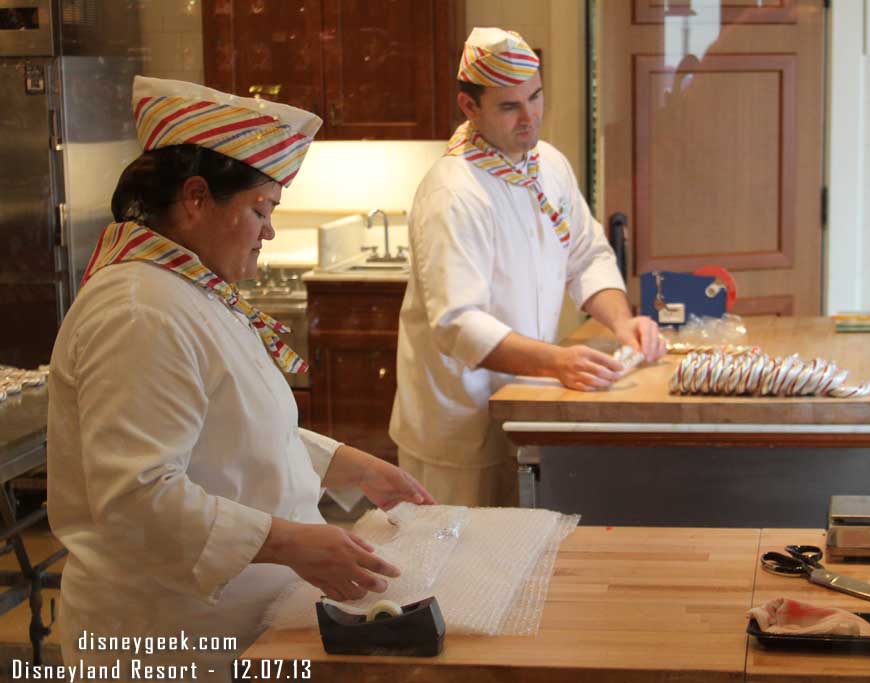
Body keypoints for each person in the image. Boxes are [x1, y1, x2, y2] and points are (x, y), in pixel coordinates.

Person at [46, 76, 434, 680]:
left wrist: (346, 465)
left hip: (229, 623)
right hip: (164, 639)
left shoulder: (186, 290)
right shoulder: (139, 311)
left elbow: (228, 428)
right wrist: (291, 543)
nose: (270, 232)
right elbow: (137, 498)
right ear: (197, 197)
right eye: (261, 208)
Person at [389, 28, 667, 508]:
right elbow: (458, 324)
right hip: (458, 423)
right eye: (509, 106)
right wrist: (557, 361)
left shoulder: (547, 165)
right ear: (469, 107)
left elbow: (587, 255)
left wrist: (624, 324)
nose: (530, 116)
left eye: (535, 97)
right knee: (458, 568)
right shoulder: (454, 192)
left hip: (527, 399)